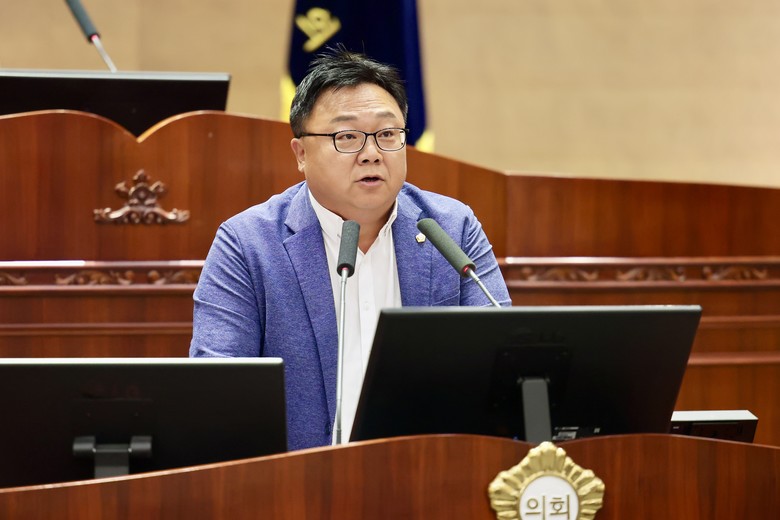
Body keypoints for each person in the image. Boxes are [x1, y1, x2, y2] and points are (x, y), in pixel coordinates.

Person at [189, 47, 511, 450]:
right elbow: (218, 391)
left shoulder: (450, 229)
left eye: (388, 135)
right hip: (298, 480)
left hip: (429, 470)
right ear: (301, 154)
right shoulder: (247, 244)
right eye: (347, 137)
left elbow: (504, 366)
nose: (371, 154)